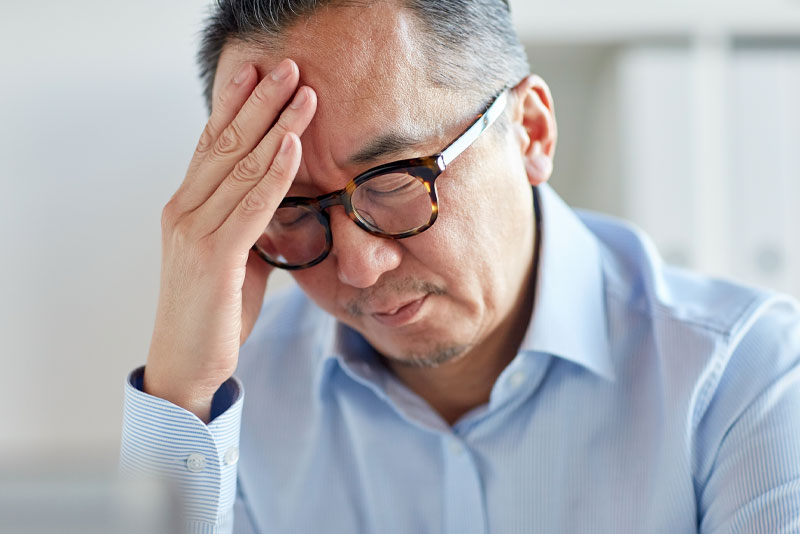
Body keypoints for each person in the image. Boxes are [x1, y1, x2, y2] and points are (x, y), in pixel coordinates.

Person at [120, 1, 800, 532]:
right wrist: (182, 391)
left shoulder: (746, 377)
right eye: (294, 210)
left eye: (393, 180)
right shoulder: (231, 411)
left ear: (531, 131)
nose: (359, 266)